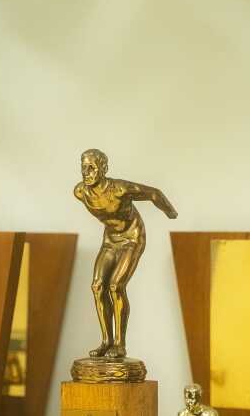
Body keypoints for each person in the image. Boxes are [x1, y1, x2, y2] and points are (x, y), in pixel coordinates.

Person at [74, 148, 177, 358]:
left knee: (115, 286)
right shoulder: (80, 192)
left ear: (104, 168)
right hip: (110, 241)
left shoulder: (119, 189)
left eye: (92, 167)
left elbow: (154, 193)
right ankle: (106, 341)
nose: (86, 173)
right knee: (97, 286)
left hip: (132, 238)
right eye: (83, 167)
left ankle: (120, 344)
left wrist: (170, 212)